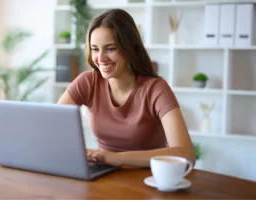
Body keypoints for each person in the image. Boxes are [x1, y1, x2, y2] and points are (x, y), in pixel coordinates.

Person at [58, 8, 196, 167]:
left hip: (146, 178)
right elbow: (52, 126)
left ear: (130, 48)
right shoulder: (88, 82)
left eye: (110, 48)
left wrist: (119, 158)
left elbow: (186, 154)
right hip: (103, 174)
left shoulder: (156, 89)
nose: (101, 58)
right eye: (95, 49)